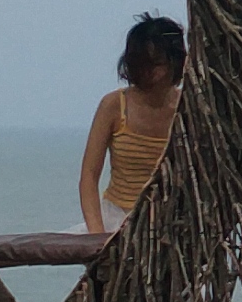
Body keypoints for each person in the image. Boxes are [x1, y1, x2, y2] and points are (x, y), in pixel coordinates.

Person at [77, 14, 187, 236]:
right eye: (142, 64)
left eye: (156, 64)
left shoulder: (187, 108)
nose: (149, 73)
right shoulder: (114, 106)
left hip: (172, 225)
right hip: (115, 219)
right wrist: (97, 235)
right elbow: (89, 176)